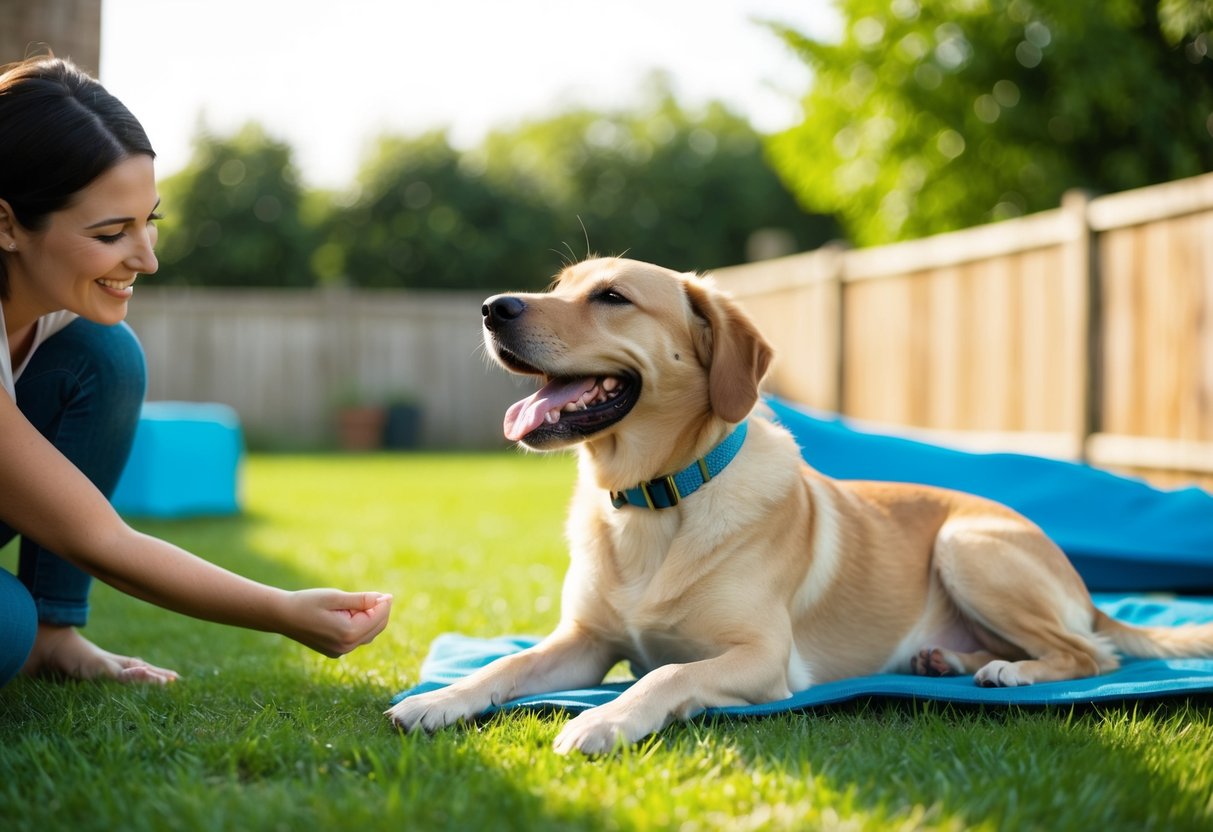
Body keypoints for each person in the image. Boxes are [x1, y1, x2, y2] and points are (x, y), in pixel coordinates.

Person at [0, 54, 393, 689]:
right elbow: (102, 541)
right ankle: (30, 631)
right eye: (110, 234)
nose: (147, 259)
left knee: (108, 353)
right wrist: (282, 610)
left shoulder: (59, 325)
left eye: (148, 222)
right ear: (6, 223)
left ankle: (55, 634)